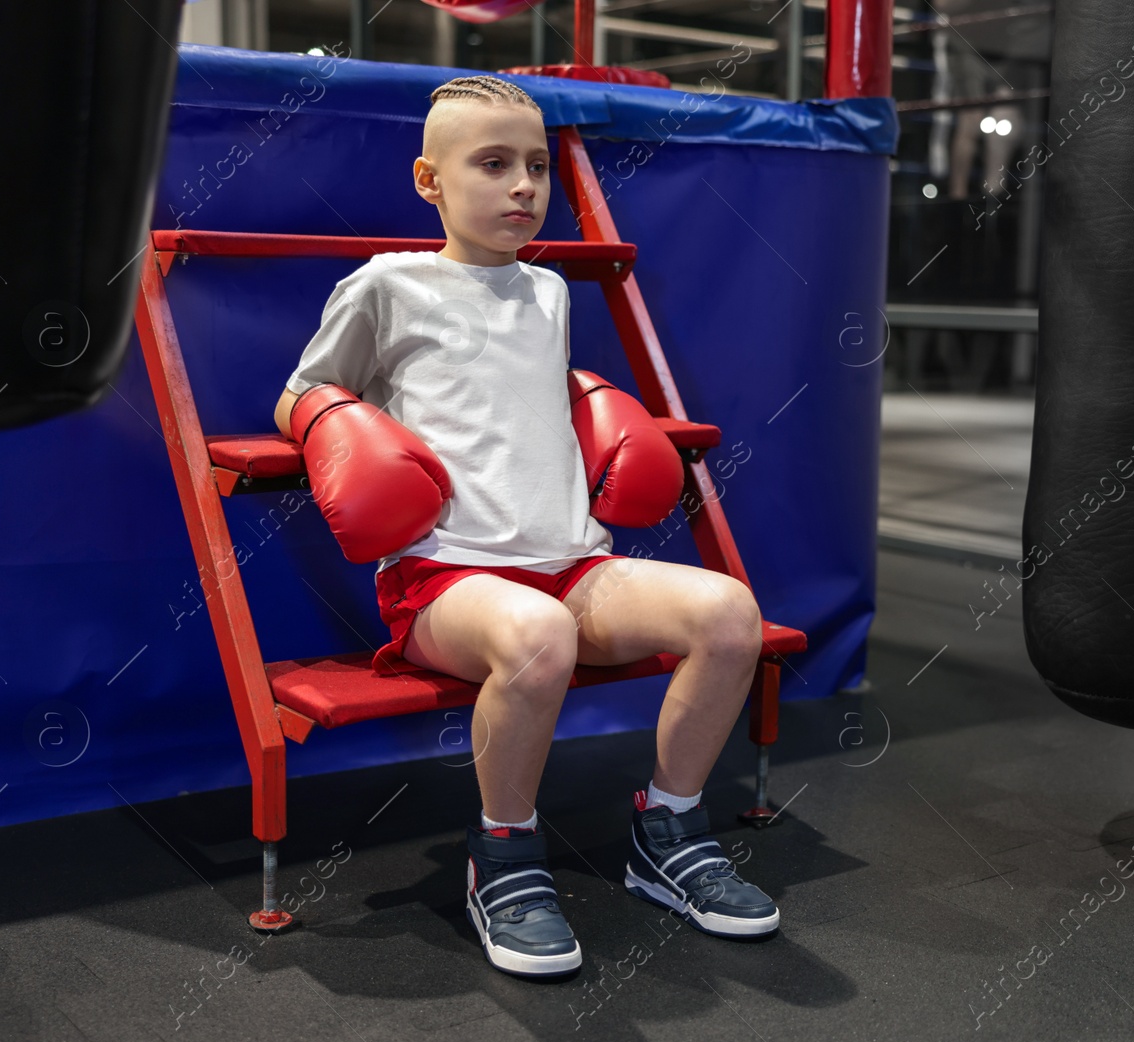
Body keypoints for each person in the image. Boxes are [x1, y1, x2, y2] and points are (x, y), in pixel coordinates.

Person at [272, 74, 779, 979]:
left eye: (538, 167)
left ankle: (667, 825)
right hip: (444, 582)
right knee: (539, 634)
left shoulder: (549, 291)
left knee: (732, 613)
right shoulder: (388, 285)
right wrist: (337, 428)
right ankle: (501, 852)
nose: (522, 187)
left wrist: (594, 404)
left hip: (573, 567)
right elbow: (300, 393)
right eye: (494, 164)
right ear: (429, 179)